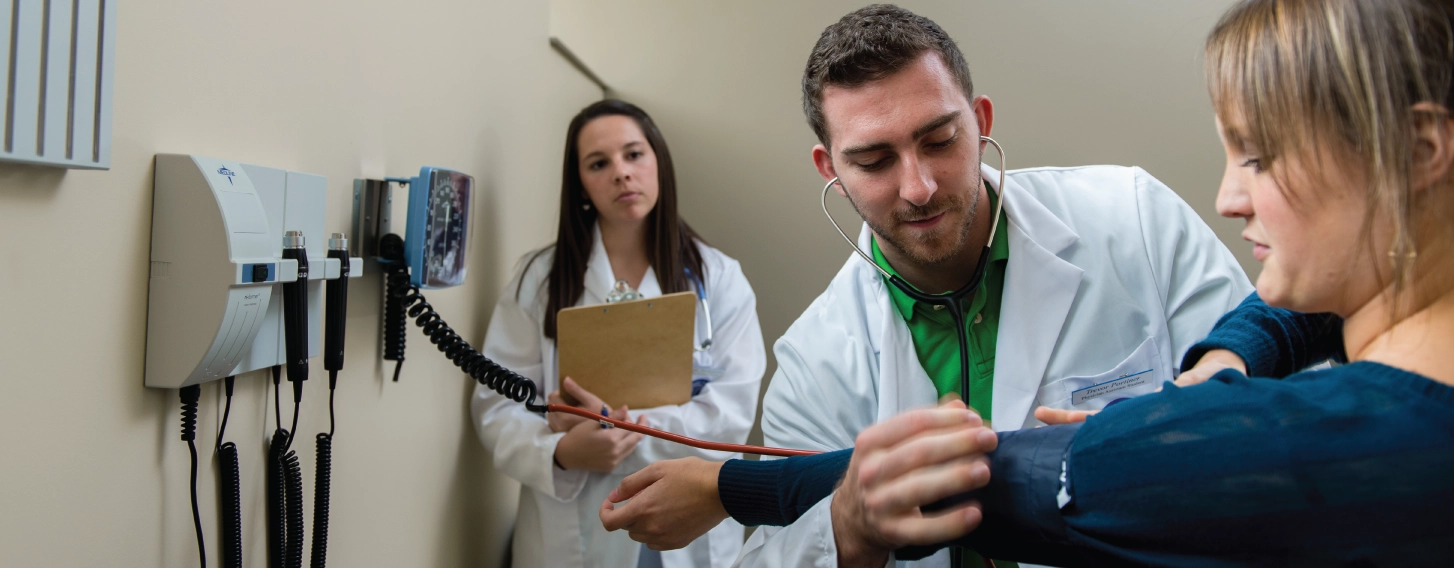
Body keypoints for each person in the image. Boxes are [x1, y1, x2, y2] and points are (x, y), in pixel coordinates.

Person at [606, 0, 1454, 565]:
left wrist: (729, 484)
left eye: (939, 140)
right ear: (830, 168)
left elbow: (1008, 474)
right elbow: (1278, 314)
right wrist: (1222, 361)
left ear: (980, 123)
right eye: (873, 160)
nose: (918, 187)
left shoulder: (1132, 218)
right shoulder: (817, 353)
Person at [472, 99, 766, 568]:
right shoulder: (539, 280)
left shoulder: (719, 278)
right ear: (581, 185)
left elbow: (730, 414)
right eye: (599, 163)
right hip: (572, 529)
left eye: (634, 155)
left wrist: (616, 430)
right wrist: (564, 451)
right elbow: (497, 406)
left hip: (687, 521)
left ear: (658, 163)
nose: (621, 173)